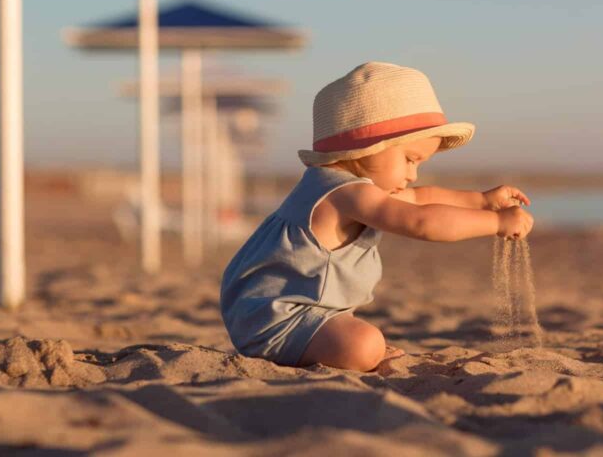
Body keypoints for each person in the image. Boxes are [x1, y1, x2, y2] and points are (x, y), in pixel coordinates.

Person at [219, 62, 534, 372]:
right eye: (410, 160)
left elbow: (422, 198)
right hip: (279, 319)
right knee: (365, 345)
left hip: (284, 312)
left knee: (361, 337)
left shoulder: (340, 186)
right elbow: (421, 221)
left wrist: (481, 201)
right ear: (368, 148)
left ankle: (334, 341)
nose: (413, 174)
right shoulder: (346, 193)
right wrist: (495, 223)